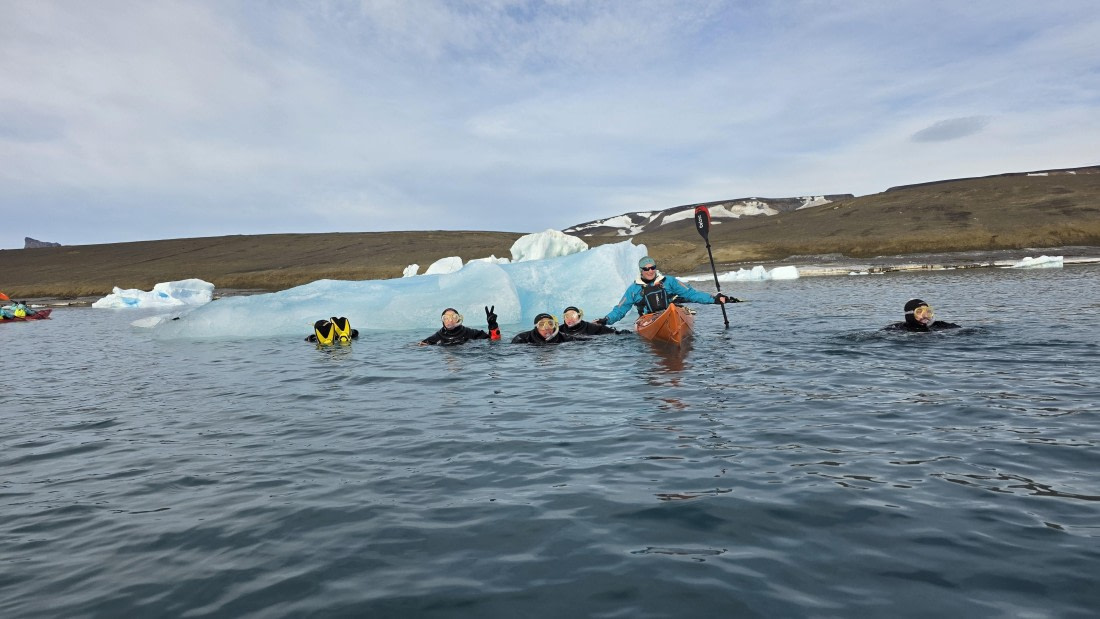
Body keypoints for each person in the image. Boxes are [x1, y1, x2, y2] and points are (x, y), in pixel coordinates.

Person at [596, 256, 731, 326]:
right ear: (641, 270)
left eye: (652, 267)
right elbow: (620, 310)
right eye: (646, 268)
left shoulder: (669, 281)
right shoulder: (633, 289)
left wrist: (714, 299)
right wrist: (606, 320)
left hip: (671, 313)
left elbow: (690, 293)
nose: (650, 271)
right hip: (647, 319)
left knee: (677, 304)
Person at [420, 306, 501, 345]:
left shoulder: (469, 333)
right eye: (446, 318)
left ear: (459, 319)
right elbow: (421, 345)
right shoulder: (437, 336)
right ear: (442, 321)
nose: (450, 320)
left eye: (454, 317)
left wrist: (493, 326)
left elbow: (494, 341)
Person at [884, 298, 960, 332]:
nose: (925, 315)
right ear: (910, 315)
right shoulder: (896, 329)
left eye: (928, 311)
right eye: (919, 312)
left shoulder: (940, 325)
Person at [511, 313, 583, 345]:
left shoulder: (563, 337)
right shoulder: (522, 339)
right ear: (536, 327)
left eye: (550, 324)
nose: (547, 328)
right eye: (542, 324)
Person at [559, 306, 627, 336]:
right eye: (567, 316)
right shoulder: (559, 330)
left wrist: (620, 333)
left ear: (579, 317)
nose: (570, 319)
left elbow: (613, 332)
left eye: (573, 316)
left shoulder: (590, 327)